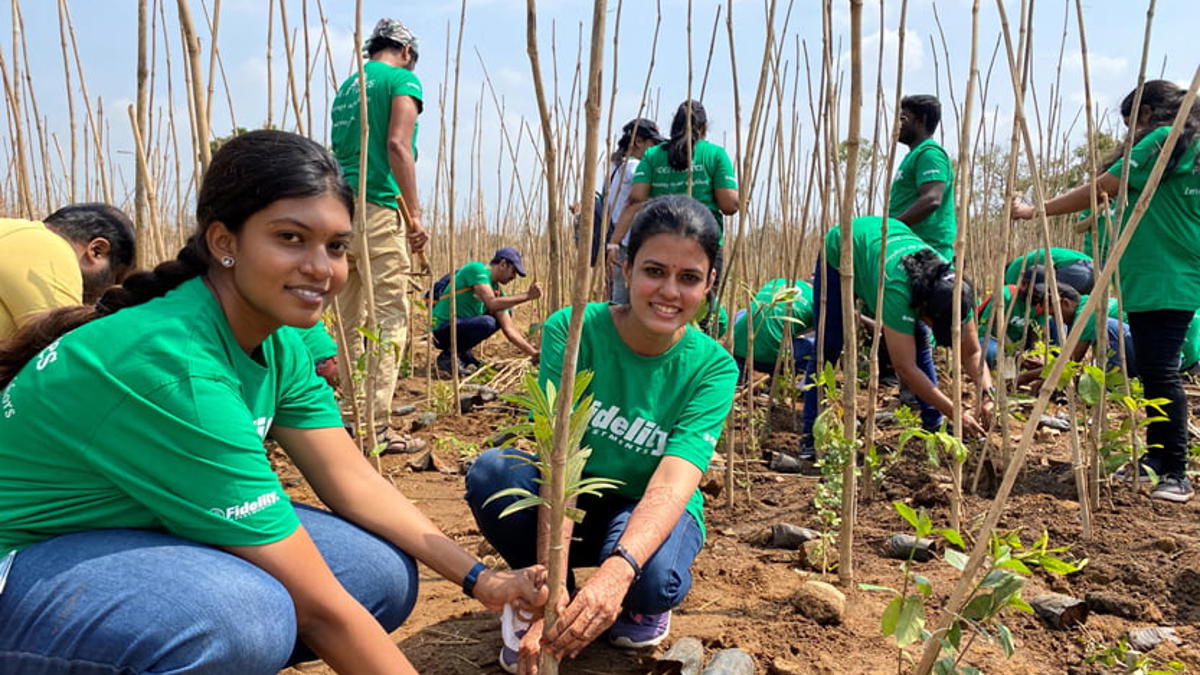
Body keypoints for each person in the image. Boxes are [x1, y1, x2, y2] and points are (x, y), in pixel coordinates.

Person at [0, 130, 546, 675]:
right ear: (224, 242)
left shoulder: (276, 340)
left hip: (119, 527)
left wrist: (483, 580)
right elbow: (322, 613)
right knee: (245, 618)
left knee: (375, 573)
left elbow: (353, 480)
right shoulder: (178, 367)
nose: (321, 267)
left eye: (336, 246)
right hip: (24, 557)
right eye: (290, 238)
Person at [465, 195, 738, 673]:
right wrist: (552, 589)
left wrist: (617, 573)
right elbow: (559, 457)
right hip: (573, 499)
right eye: (654, 271)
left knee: (654, 580)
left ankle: (633, 600)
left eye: (689, 278)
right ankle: (546, 590)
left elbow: (674, 480)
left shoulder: (713, 368)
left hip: (645, 506)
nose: (669, 292)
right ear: (625, 267)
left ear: (710, 284)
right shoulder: (573, 331)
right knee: (492, 474)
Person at [1012, 79, 1200, 502]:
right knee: (1156, 370)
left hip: (1162, 278)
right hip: (1174, 275)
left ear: (1147, 113)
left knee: (1161, 372)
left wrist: (1034, 210)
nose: (1129, 133)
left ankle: (1174, 469)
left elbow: (1102, 186)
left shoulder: (1162, 140)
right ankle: (1157, 460)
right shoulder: (1190, 149)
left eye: (1131, 122)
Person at [801, 216, 995, 459]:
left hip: (889, 235)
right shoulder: (897, 292)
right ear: (923, 309)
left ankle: (933, 425)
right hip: (844, 247)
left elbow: (973, 352)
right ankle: (810, 438)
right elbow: (905, 367)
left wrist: (989, 394)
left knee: (921, 338)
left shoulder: (957, 295)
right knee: (829, 345)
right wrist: (955, 412)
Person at [330, 17, 427, 451]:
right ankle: (378, 428)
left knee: (349, 320)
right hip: (377, 207)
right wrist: (416, 217)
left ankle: (352, 418)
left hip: (337, 207)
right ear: (406, 53)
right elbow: (397, 146)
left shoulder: (348, 87)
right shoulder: (402, 80)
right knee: (390, 314)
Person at [611, 100, 739, 327]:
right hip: (703, 245)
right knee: (700, 315)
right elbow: (729, 205)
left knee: (653, 311)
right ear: (704, 128)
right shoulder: (715, 155)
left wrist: (614, 243)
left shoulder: (652, 156)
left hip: (657, 241)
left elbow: (635, 200)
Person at [0, 203, 136, 340]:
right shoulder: (49, 247)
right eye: (114, 279)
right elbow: (66, 349)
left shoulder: (15, 231)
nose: (102, 294)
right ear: (97, 251)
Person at [430, 247, 541, 374]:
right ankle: (448, 357)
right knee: (487, 322)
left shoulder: (498, 291)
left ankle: (462, 354)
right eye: (513, 271)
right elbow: (492, 303)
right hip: (441, 328)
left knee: (504, 313)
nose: (513, 277)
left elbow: (509, 329)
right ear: (503, 264)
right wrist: (527, 296)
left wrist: (534, 353)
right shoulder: (477, 270)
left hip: (459, 328)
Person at [601, 118, 667, 304]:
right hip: (630, 244)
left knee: (618, 300)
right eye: (652, 144)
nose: (655, 150)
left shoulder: (616, 168)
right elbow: (636, 200)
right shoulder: (635, 168)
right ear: (638, 142)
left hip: (619, 242)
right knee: (627, 302)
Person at [889, 95, 956, 260]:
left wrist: (891, 227)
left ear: (921, 121)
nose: (897, 125)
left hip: (927, 251)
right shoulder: (914, 155)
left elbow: (932, 198)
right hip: (910, 246)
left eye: (903, 118)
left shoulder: (930, 154)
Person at [731, 278, 815, 376]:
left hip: (737, 351)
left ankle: (740, 369)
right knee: (817, 343)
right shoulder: (815, 298)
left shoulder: (775, 282)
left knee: (743, 312)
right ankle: (796, 382)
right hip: (772, 361)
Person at [1003, 247, 1095, 294]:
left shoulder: (1010, 273)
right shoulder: (1023, 260)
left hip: (1074, 270)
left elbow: (1013, 296)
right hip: (1094, 266)